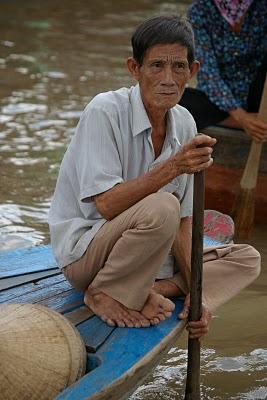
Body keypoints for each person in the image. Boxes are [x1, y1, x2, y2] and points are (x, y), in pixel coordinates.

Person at [48, 15, 261, 339]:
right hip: (89, 253)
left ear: (193, 72)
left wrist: (198, 292)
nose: (168, 79)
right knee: (162, 206)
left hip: (149, 250)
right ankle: (105, 291)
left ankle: (152, 287)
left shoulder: (185, 121)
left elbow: (184, 222)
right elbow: (106, 205)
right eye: (157, 66)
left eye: (178, 67)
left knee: (248, 259)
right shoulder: (104, 111)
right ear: (135, 69)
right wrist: (173, 167)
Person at [179, 0, 267, 143]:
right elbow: (208, 72)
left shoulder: (262, 7)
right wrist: (241, 117)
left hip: (259, 94)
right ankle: (240, 121)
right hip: (219, 101)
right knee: (175, 99)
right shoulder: (200, 10)